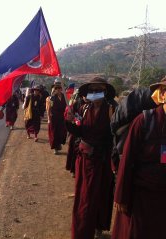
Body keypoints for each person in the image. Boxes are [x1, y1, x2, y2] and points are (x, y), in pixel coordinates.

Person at [112, 77, 166, 239]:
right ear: (162, 95)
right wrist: (121, 197)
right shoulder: (143, 121)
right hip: (140, 197)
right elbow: (127, 161)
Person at [65, 77, 117, 239]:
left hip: (102, 160)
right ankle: (82, 232)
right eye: (92, 90)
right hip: (85, 160)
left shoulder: (112, 110)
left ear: (105, 91)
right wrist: (69, 122)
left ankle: (98, 226)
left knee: (101, 194)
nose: (95, 93)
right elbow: (80, 132)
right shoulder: (84, 109)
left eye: (98, 90)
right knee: (84, 197)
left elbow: (116, 135)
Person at [46, 80, 67, 154]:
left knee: (61, 132)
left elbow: (67, 107)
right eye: (56, 88)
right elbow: (49, 108)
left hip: (62, 117)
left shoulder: (65, 97)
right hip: (54, 118)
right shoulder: (52, 98)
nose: (58, 90)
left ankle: (59, 144)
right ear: (54, 89)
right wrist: (48, 118)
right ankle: (55, 148)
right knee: (54, 133)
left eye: (59, 88)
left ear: (61, 89)